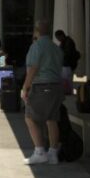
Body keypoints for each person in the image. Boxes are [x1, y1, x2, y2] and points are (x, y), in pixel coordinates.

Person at [21, 21, 64, 165]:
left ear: (36, 31)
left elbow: (33, 68)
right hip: (56, 86)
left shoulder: (37, 46)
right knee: (52, 119)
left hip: (41, 86)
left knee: (30, 117)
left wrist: (25, 87)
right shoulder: (56, 48)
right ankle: (53, 153)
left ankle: (39, 151)